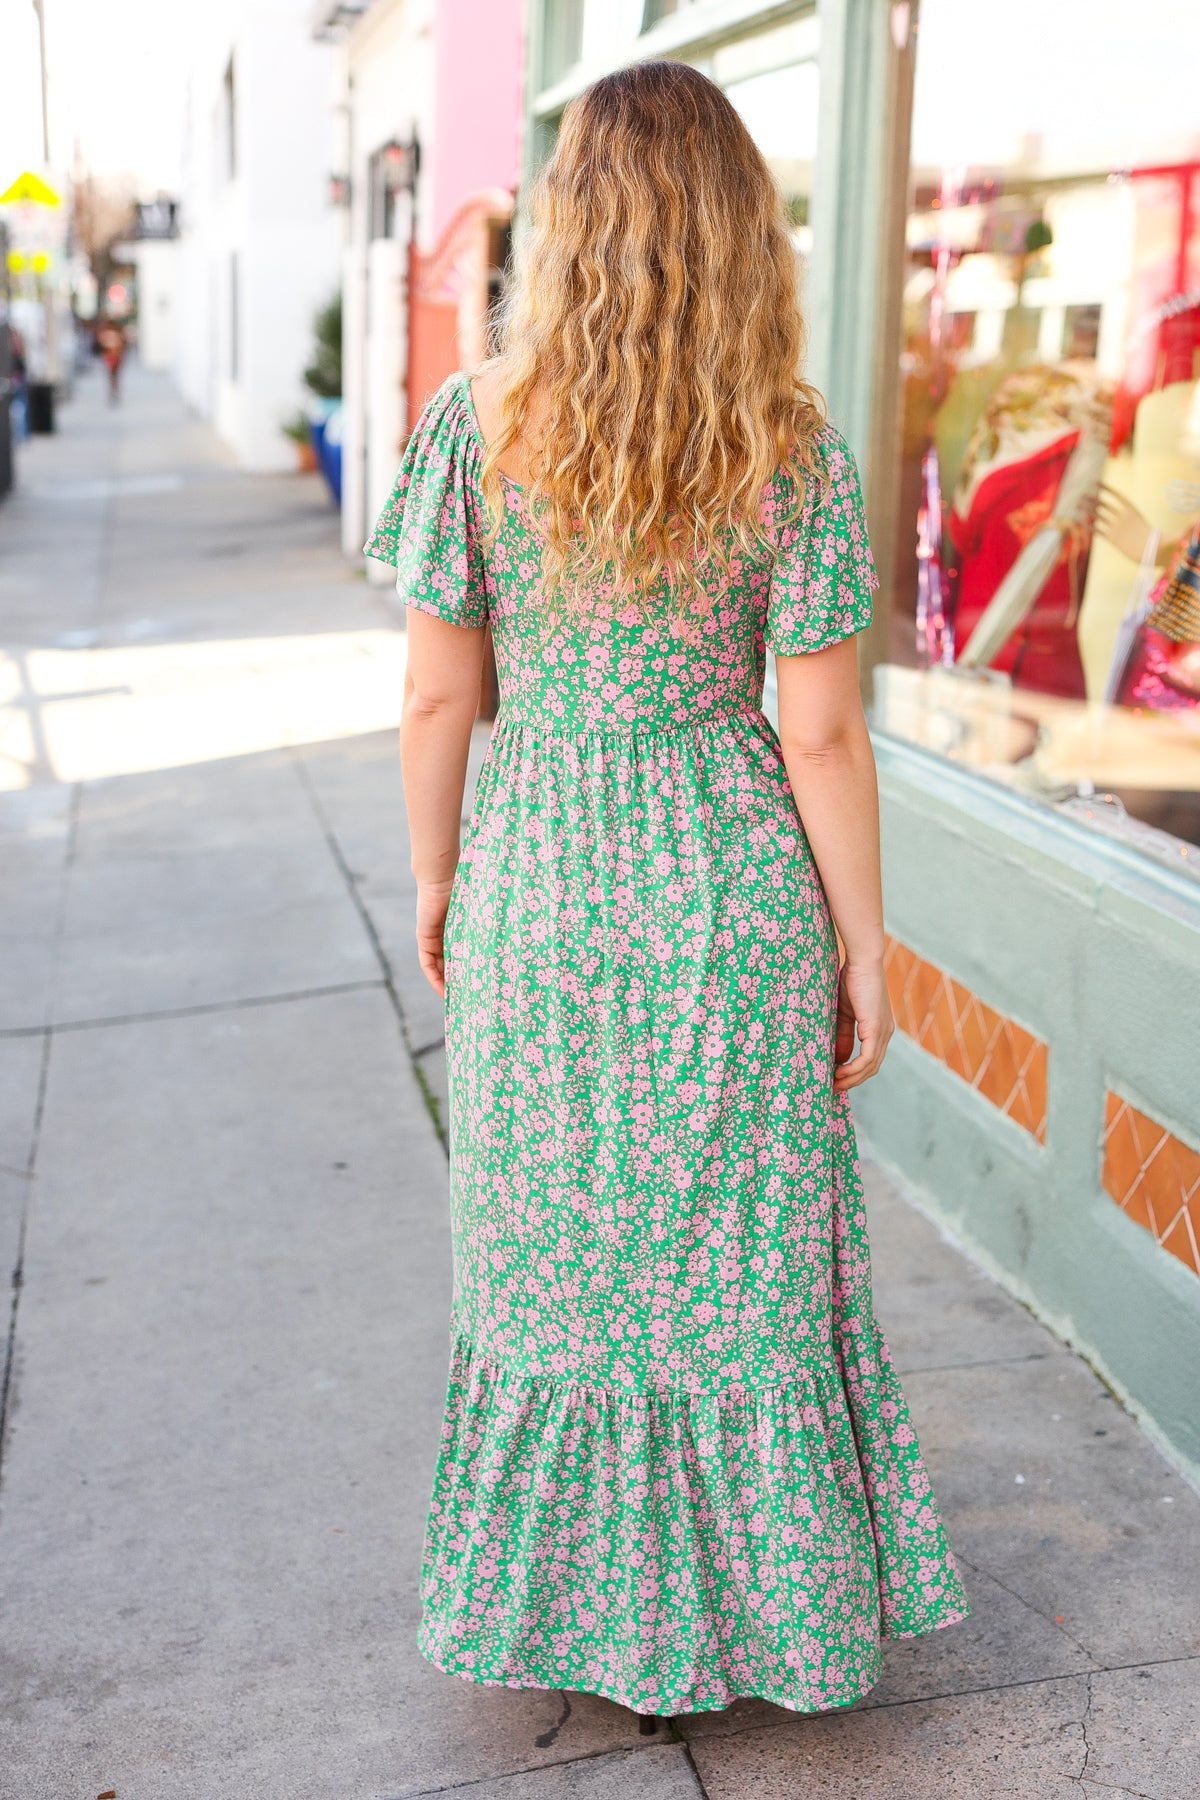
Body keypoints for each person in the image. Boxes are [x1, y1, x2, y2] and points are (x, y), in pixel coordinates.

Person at [365, 60, 969, 1723]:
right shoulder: (789, 444)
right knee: (741, 1270)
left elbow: (434, 700)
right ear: (738, 231)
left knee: (551, 1258)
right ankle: (747, 1625)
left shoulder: (470, 427)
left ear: (568, 228)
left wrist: (437, 873)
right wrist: (863, 940)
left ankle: (576, 1616)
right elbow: (825, 728)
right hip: (729, 888)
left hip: (544, 878)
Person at [96, 316, 126, 404]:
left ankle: (114, 391)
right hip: (112, 356)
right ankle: (114, 391)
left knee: (112, 376)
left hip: (112, 356)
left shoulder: (106, 333)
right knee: (113, 376)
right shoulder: (112, 333)